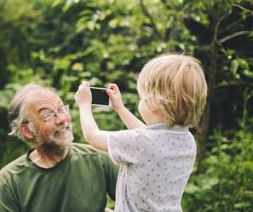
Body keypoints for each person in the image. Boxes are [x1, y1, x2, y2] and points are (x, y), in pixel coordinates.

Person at [75, 53, 208, 212]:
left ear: (154, 104)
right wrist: (120, 109)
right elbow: (148, 136)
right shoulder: (187, 140)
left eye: (142, 97)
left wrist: (84, 104)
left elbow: (92, 135)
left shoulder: (141, 142)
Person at [0, 83, 118, 212]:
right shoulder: (10, 180)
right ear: (26, 130)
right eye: (47, 116)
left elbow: (134, 203)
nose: (61, 119)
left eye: (61, 109)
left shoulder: (99, 158)